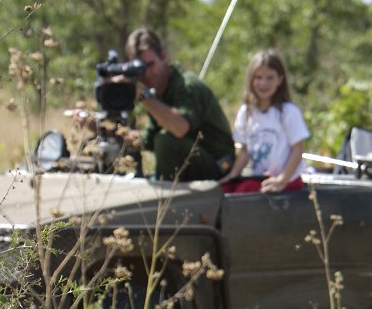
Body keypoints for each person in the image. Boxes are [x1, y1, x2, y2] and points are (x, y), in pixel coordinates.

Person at [123, 27, 235, 182]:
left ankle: (163, 196)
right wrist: (107, 130)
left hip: (220, 169)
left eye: (150, 65)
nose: (146, 74)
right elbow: (147, 139)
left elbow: (179, 129)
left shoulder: (187, 85)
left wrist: (142, 96)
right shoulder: (157, 91)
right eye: (140, 69)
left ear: (164, 56)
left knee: (165, 141)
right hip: (195, 163)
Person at [221, 49, 309, 194]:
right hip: (261, 178)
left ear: (280, 80)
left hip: (288, 180)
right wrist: (232, 176)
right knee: (224, 190)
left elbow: (298, 149)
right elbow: (245, 152)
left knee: (245, 190)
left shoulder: (288, 112)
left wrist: (282, 180)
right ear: (251, 79)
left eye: (270, 78)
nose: (263, 83)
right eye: (259, 77)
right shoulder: (246, 111)